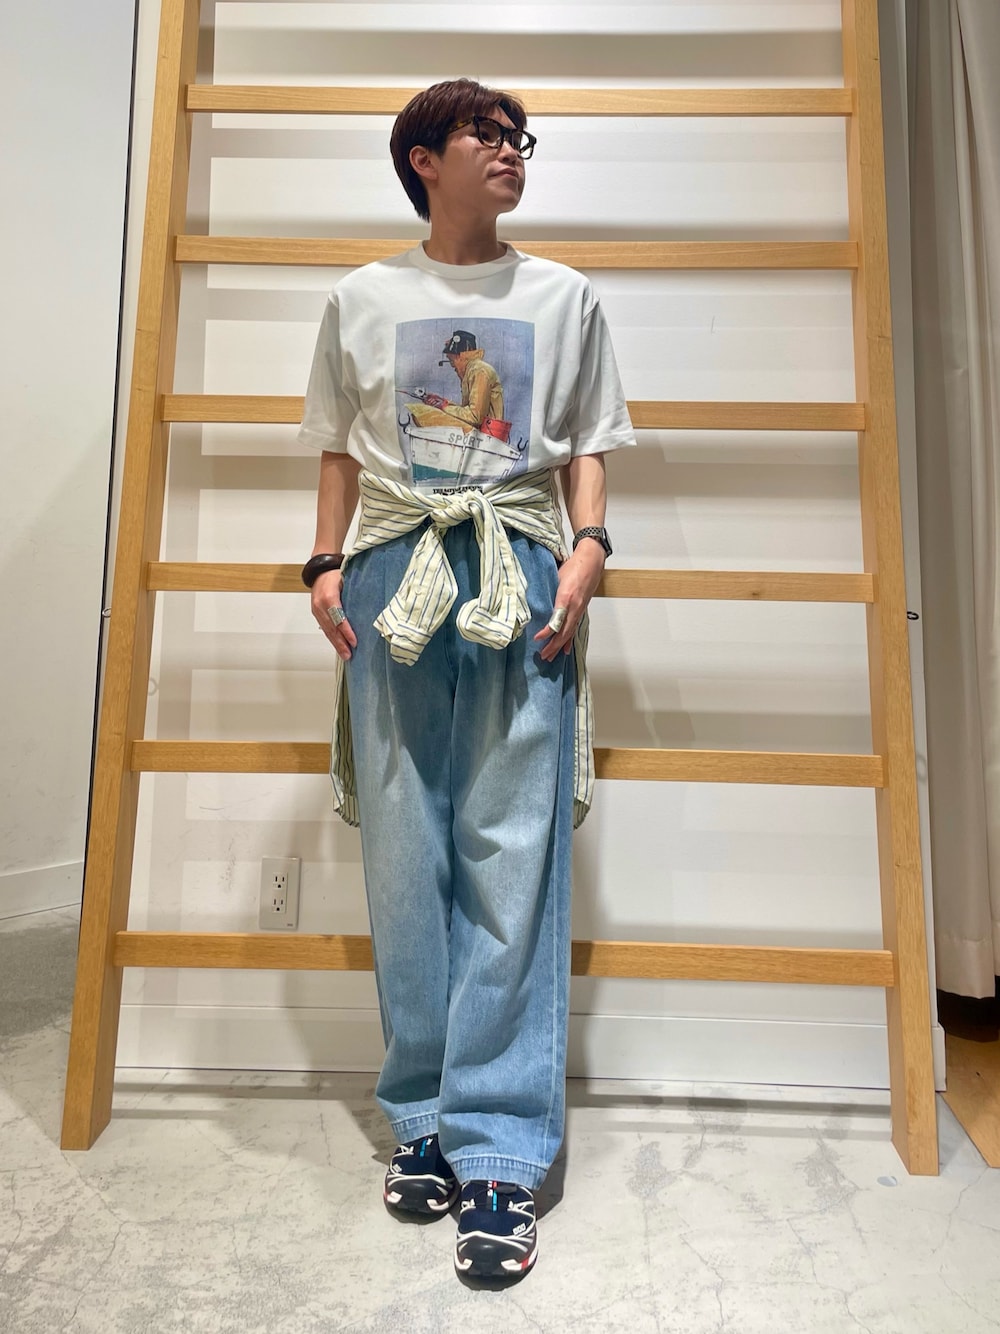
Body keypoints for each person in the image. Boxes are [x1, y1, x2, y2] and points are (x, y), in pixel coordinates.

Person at [296, 78, 636, 1283]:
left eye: (517, 138)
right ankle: (423, 1114)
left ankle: (499, 1148)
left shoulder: (563, 296)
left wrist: (587, 550)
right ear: (421, 158)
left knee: (512, 852)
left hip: (518, 567)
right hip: (393, 570)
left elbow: (585, 442)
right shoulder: (361, 297)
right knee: (404, 851)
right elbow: (339, 445)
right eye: (484, 135)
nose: (509, 152)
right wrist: (324, 564)